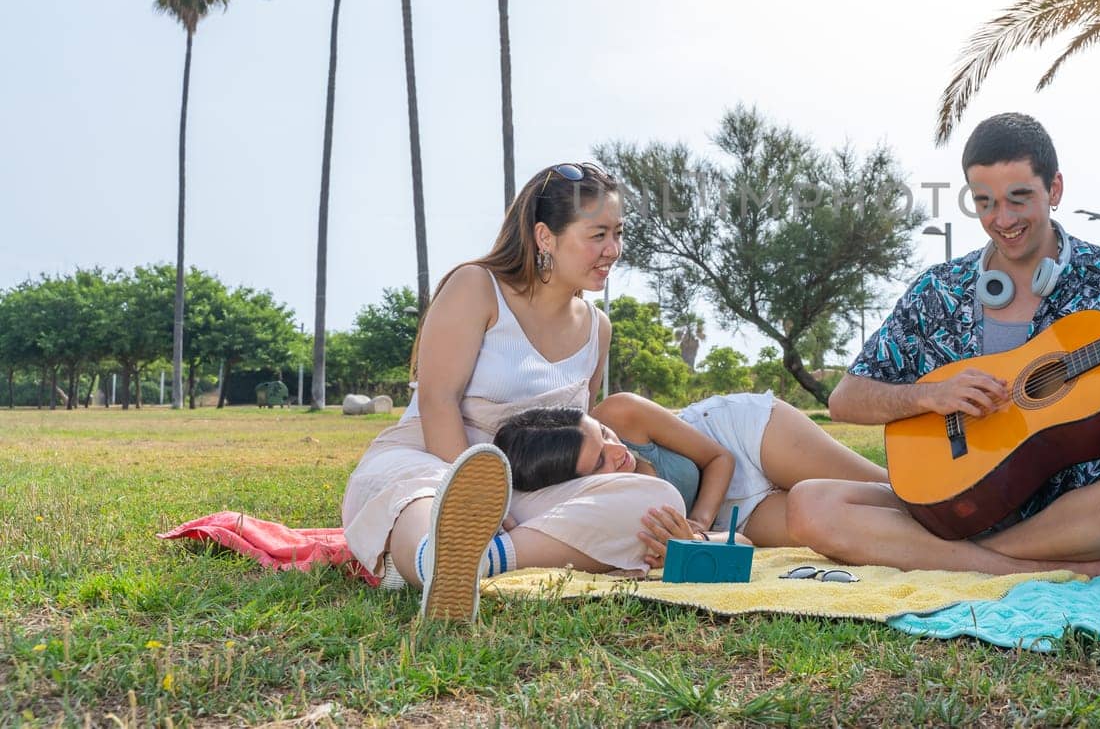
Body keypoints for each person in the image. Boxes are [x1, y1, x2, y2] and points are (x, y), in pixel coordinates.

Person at [785, 113, 1100, 576]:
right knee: (810, 503)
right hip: (950, 501)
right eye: (984, 202)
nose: (1002, 219)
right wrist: (925, 395)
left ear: (1054, 189)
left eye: (1019, 198)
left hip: (1074, 513)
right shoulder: (938, 290)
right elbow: (845, 399)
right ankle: (1023, 567)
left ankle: (965, 560)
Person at [341, 163, 684, 622]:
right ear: (545, 237)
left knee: (657, 500)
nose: (613, 250)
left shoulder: (598, 328)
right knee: (420, 497)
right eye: (597, 234)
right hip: (435, 456)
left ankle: (474, 561)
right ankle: (436, 556)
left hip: (533, 482)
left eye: (618, 234)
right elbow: (438, 400)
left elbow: (573, 436)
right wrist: (482, 495)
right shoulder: (476, 287)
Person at [493, 391, 888, 565]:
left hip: (744, 438)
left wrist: (697, 522)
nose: (618, 452)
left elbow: (719, 457)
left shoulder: (622, 411)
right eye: (599, 462)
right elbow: (740, 545)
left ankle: (948, 496)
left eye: (606, 437)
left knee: (892, 489)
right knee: (859, 524)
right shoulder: (602, 511)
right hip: (735, 513)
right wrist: (693, 541)